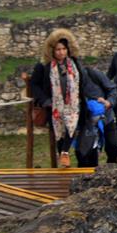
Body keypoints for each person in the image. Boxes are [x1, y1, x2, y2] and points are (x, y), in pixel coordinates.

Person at [30, 28, 105, 168]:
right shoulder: (44, 67)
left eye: (64, 49)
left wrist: (95, 97)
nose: (61, 52)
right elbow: (34, 85)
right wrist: (46, 100)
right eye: (58, 49)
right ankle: (64, 159)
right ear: (52, 50)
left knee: (73, 126)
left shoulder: (73, 63)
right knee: (60, 133)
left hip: (74, 105)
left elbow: (83, 82)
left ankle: (65, 153)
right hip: (55, 107)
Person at [78, 67, 117, 165]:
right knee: (87, 153)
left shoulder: (94, 74)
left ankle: (111, 166)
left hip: (105, 116)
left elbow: (112, 89)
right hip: (86, 122)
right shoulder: (68, 82)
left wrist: (109, 102)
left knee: (113, 145)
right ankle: (90, 176)